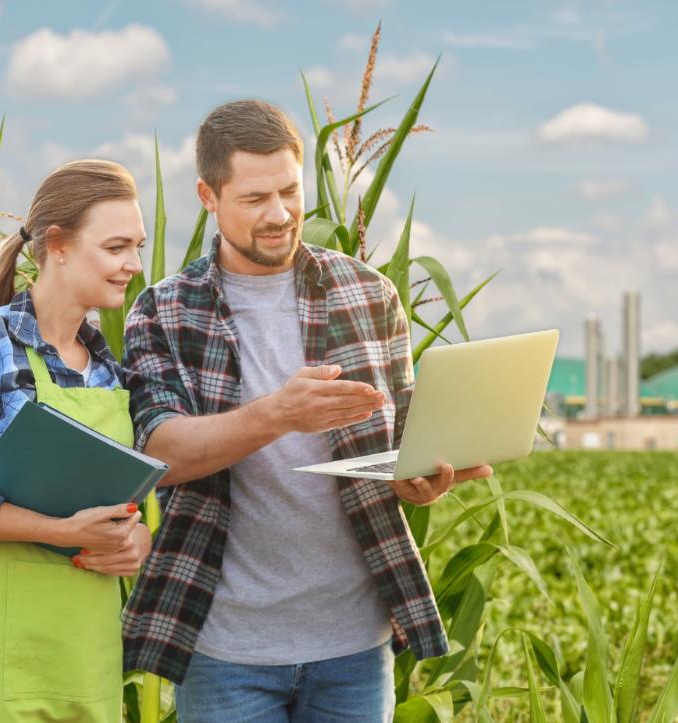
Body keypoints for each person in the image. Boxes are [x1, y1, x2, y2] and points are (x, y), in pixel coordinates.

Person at [121, 99, 492, 722]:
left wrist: (421, 479)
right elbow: (157, 453)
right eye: (255, 199)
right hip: (224, 650)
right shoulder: (163, 311)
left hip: (355, 647)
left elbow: (400, 441)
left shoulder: (370, 294)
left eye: (291, 192)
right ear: (208, 196)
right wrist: (278, 414)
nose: (281, 214)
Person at [0, 160, 153, 722]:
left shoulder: (111, 373)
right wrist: (60, 531)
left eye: (136, 246)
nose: (133, 266)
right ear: (58, 245)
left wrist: (137, 545)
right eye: (116, 248)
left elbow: (126, 511)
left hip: (83, 657)